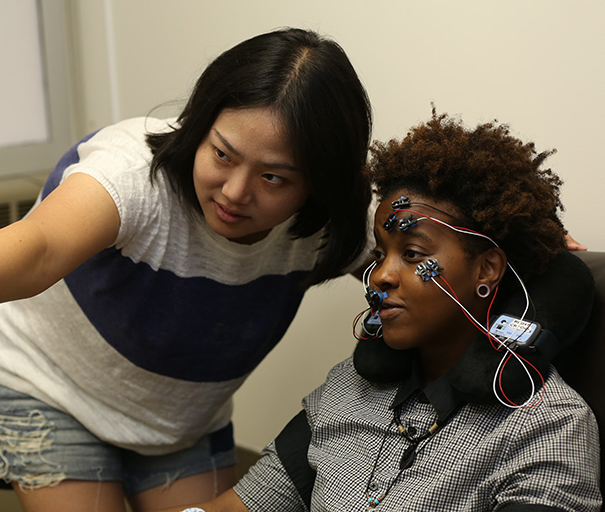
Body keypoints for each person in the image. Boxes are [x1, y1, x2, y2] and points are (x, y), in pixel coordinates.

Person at [0, 28, 373, 512]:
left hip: (180, 421)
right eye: (221, 153)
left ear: (319, 183)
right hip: (48, 385)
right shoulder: (130, 173)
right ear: (200, 121)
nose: (235, 192)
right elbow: (38, 248)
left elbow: (430, 267)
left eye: (274, 178)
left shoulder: (332, 221)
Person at [159, 111, 602, 511]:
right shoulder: (348, 390)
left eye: (411, 254)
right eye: (380, 254)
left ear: (486, 267)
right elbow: (242, 506)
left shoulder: (548, 430)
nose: (379, 276)